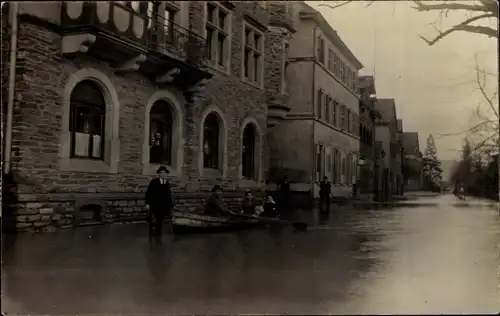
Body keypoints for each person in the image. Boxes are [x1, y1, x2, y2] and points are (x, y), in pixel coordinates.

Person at [145, 165, 175, 236]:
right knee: (154, 219)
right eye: (161, 173)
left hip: (163, 205)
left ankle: (158, 233)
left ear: (166, 174)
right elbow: (149, 193)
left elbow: (168, 195)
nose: (163, 174)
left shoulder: (167, 183)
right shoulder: (154, 182)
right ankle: (153, 232)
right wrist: (147, 203)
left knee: (160, 219)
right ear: (159, 174)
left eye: (164, 173)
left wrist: (172, 205)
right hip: (155, 204)